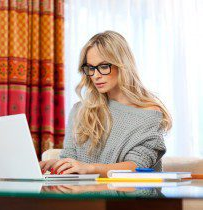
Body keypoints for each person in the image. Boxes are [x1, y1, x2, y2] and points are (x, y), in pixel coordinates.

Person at [39, 30, 172, 177]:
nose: (95, 75)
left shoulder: (149, 114)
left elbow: (137, 166)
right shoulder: (80, 110)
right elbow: (71, 160)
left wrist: (89, 168)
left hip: (129, 197)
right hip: (82, 196)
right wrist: (61, 165)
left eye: (103, 66)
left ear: (122, 65)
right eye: (91, 68)